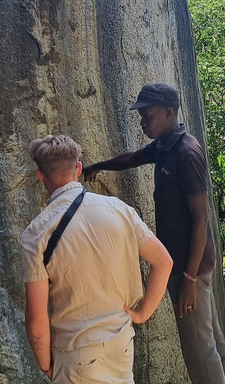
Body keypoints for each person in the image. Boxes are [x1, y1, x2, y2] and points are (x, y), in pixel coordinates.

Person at [83, 83, 225, 384]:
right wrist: (94, 166)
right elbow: (132, 158)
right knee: (212, 342)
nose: (143, 122)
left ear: (168, 113)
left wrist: (189, 279)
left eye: (148, 115)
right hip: (184, 262)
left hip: (187, 266)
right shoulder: (165, 145)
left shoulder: (186, 152)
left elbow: (200, 218)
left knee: (200, 352)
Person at [22, 134, 173, 383]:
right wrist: (142, 313)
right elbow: (163, 262)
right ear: (79, 168)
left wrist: (46, 364)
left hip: (75, 356)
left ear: (40, 176)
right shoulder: (119, 209)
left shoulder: (36, 233)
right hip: (121, 344)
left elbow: (36, 318)